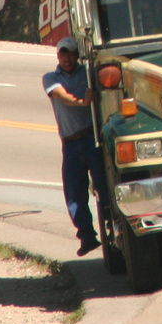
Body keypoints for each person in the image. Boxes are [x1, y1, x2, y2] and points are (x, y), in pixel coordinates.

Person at [43, 36, 107, 257]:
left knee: (104, 187)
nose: (67, 58)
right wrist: (83, 101)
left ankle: (113, 230)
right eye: (63, 53)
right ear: (58, 55)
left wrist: (93, 95)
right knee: (74, 193)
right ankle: (87, 237)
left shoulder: (88, 73)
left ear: (77, 55)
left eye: (71, 53)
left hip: (93, 139)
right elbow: (63, 97)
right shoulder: (50, 78)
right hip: (70, 144)